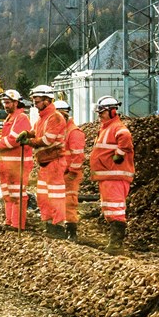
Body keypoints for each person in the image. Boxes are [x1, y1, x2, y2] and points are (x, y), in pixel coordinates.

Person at [20, 84, 69, 238]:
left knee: (55, 197)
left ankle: (58, 227)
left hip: (55, 162)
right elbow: (36, 132)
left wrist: (29, 142)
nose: (35, 103)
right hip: (45, 164)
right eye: (34, 100)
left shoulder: (55, 117)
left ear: (47, 100)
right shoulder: (42, 118)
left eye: (37, 100)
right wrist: (28, 133)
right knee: (43, 197)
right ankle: (48, 224)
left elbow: (47, 140)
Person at [89, 96, 135, 254]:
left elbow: (126, 138)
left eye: (102, 112)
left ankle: (116, 245)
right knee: (109, 209)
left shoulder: (117, 127)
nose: (99, 115)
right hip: (107, 175)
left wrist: (119, 154)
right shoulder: (106, 127)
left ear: (112, 111)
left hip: (115, 176)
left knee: (115, 209)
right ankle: (114, 242)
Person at [0, 89, 34, 231]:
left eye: (8, 103)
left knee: (17, 195)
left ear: (16, 103)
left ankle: (17, 224)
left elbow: (13, 139)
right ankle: (9, 221)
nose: (5, 105)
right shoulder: (10, 118)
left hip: (18, 164)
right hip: (7, 164)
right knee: (8, 194)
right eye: (4, 103)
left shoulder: (21, 118)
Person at [56, 100, 86, 241]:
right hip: (59, 172)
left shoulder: (74, 132)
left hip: (69, 173)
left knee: (69, 201)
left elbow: (78, 155)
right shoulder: (60, 131)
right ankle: (60, 227)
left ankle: (71, 231)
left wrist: (72, 172)